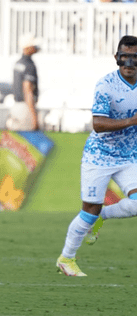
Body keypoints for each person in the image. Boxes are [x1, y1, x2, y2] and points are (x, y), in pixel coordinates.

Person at [56, 35, 137, 277]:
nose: (130, 63)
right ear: (116, 58)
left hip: (129, 156)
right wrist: (132, 121)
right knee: (89, 208)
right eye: (125, 57)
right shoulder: (106, 85)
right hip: (99, 156)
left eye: (135, 58)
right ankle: (66, 259)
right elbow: (98, 124)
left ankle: (100, 216)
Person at [7, 34, 40, 131]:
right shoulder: (29, 65)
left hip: (16, 107)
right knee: (27, 142)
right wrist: (34, 118)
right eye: (33, 45)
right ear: (28, 47)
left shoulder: (18, 63)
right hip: (25, 109)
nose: (35, 47)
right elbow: (28, 90)